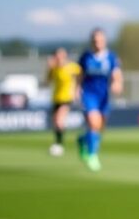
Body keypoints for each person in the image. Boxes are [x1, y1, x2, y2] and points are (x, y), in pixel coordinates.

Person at [77, 28, 123, 171]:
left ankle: (83, 140)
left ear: (104, 41)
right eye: (95, 40)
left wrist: (117, 83)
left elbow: (116, 74)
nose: (98, 43)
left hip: (103, 96)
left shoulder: (110, 57)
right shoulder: (86, 57)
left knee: (99, 127)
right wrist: (76, 89)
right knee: (93, 122)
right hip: (89, 95)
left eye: (100, 40)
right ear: (92, 41)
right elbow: (80, 75)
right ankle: (92, 156)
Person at [46, 47, 81, 156]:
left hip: (67, 98)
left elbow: (81, 76)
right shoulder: (54, 69)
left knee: (59, 120)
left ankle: (59, 145)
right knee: (55, 122)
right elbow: (47, 81)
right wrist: (49, 69)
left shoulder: (72, 67)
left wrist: (77, 90)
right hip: (56, 98)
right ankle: (58, 142)